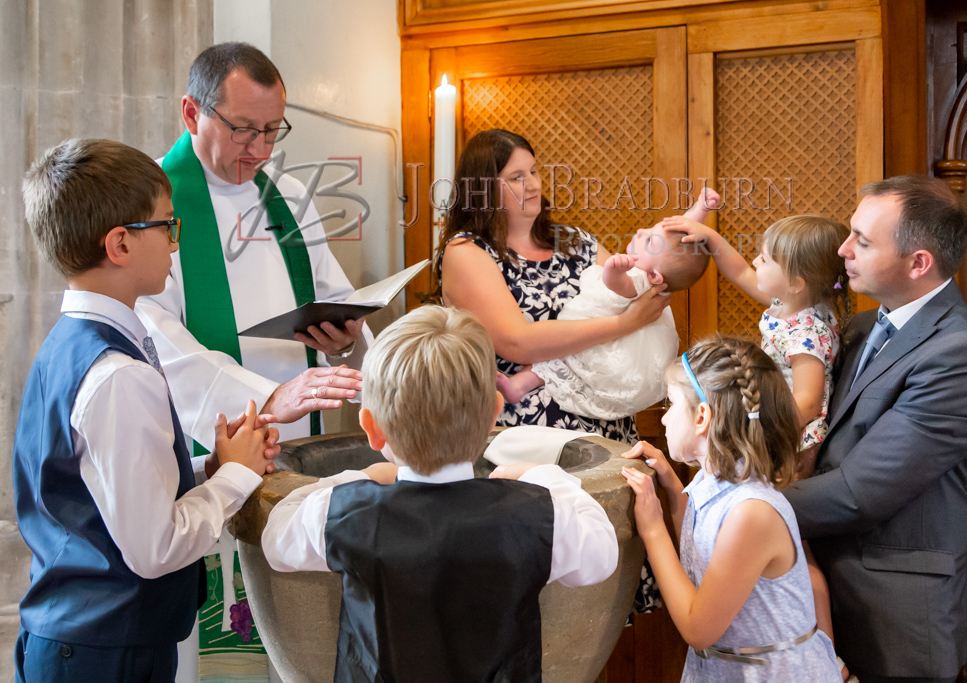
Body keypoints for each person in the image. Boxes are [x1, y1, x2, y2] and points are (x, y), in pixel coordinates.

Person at [13, 139, 280, 682]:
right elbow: (156, 546)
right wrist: (235, 479)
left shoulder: (73, 341)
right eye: (167, 226)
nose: (175, 243)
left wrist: (213, 468)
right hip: (105, 652)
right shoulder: (118, 374)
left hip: (81, 635)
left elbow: (106, 492)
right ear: (120, 244)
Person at [261, 306, 618, 682]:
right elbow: (603, 554)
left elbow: (276, 539)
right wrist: (541, 475)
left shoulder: (346, 513)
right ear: (493, 416)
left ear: (372, 428)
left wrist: (360, 476)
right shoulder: (535, 515)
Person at [782, 176, 967, 683]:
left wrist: (740, 505)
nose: (843, 249)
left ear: (918, 262)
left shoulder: (963, 355)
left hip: (894, 627)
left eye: (862, 241)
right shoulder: (862, 328)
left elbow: (858, 493)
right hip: (820, 604)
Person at [137, 41, 370, 452]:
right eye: (243, 129)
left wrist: (345, 343)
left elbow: (334, 301)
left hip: (299, 439)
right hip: (209, 445)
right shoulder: (149, 203)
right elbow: (155, 338)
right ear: (191, 114)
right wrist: (266, 398)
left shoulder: (289, 196)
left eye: (272, 130)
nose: (261, 150)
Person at [668, 212, 850, 659]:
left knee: (801, 551)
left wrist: (755, 426)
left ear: (797, 282)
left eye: (766, 259)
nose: (755, 263)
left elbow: (807, 402)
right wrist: (710, 238)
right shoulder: (787, 303)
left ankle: (825, 647)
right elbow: (741, 274)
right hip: (771, 429)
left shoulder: (807, 331)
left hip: (792, 441)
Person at [621, 338, 841, 681]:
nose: (663, 419)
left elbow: (697, 628)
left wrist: (653, 529)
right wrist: (672, 488)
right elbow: (701, 547)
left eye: (671, 404)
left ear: (702, 417)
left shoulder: (751, 513)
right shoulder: (716, 481)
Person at [435, 128, 671, 444]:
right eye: (517, 177)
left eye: (533, 171)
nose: (533, 184)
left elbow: (635, 295)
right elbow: (518, 342)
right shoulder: (467, 251)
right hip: (525, 436)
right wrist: (624, 323)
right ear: (483, 189)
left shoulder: (576, 241)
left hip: (607, 429)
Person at [495, 190, 716, 420]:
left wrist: (613, 269)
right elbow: (681, 231)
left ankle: (518, 385)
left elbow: (617, 285)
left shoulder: (640, 280)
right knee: (555, 361)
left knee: (556, 358)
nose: (641, 231)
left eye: (649, 240)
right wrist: (701, 209)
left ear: (655, 275)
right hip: (628, 345)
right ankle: (518, 385)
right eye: (650, 230)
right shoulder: (656, 276)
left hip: (606, 349)